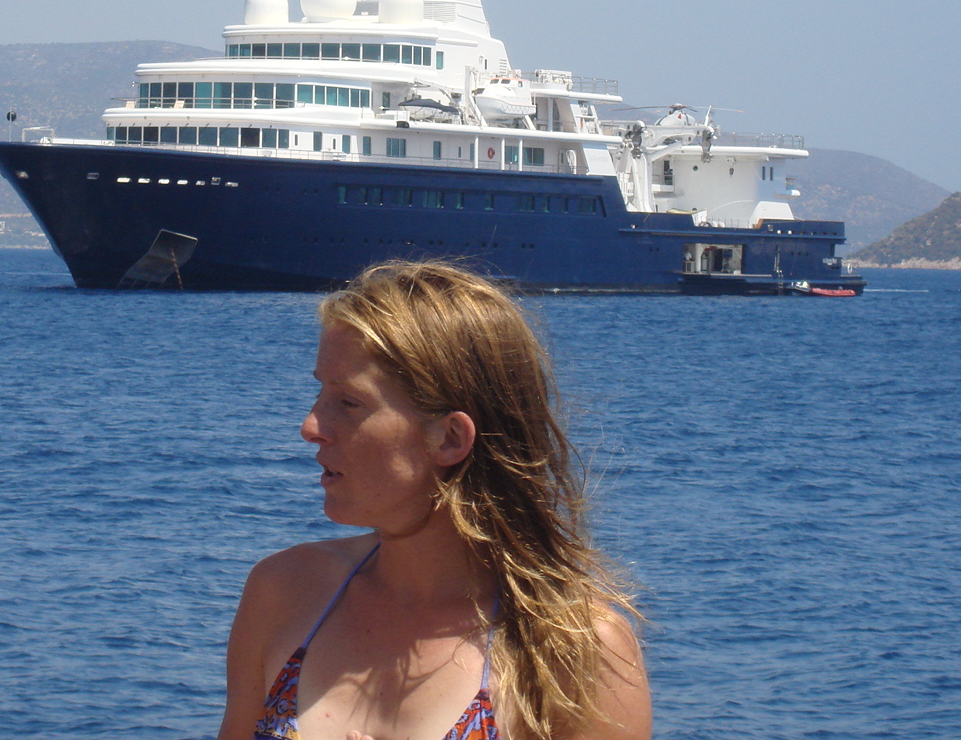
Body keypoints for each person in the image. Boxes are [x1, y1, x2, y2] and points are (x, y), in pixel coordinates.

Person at [219, 261, 651, 740]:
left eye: (348, 402)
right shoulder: (284, 593)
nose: (310, 426)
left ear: (449, 438)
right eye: (319, 392)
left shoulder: (575, 652)